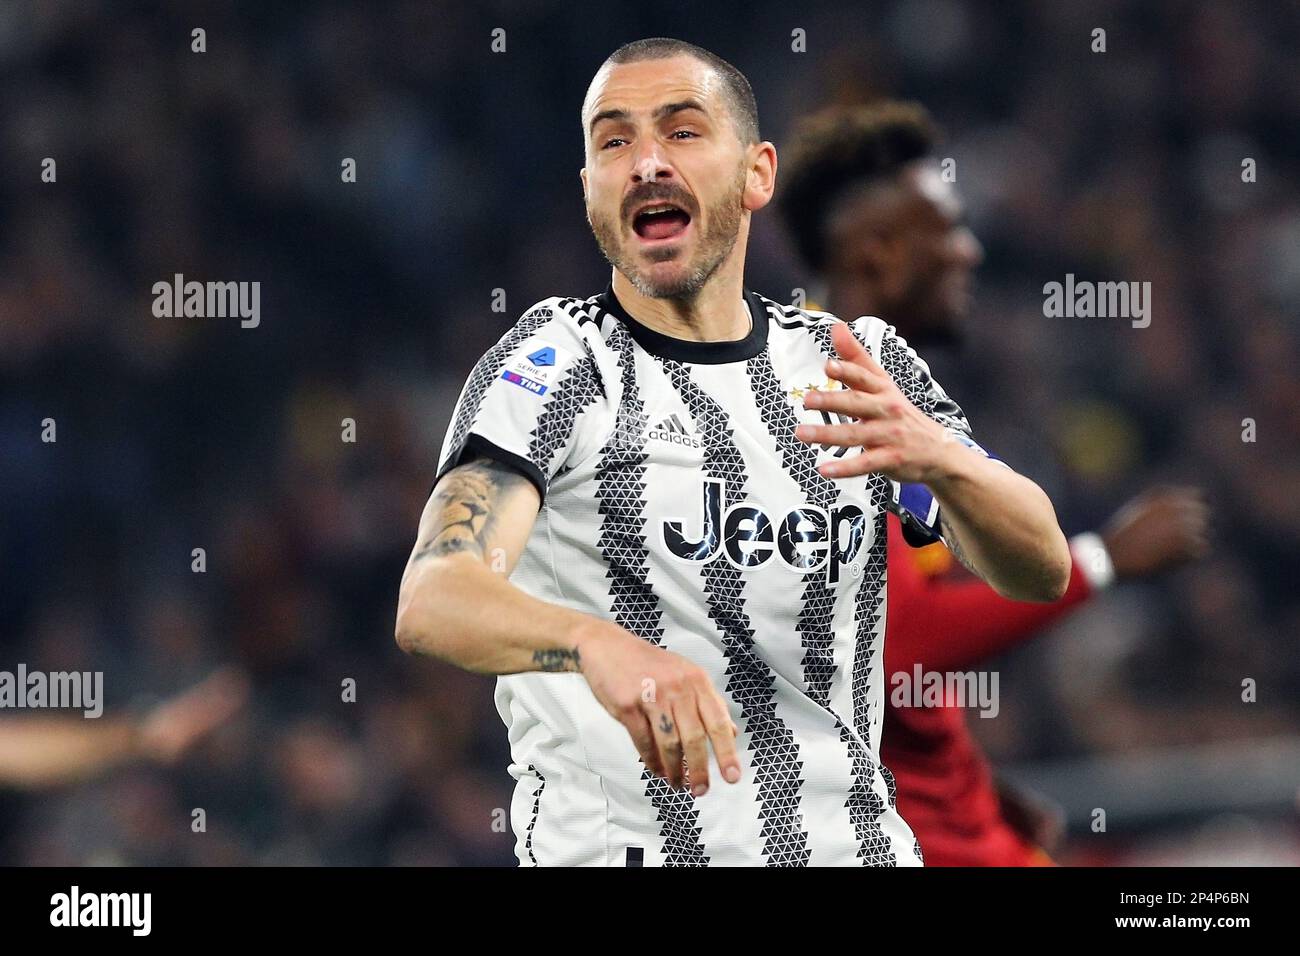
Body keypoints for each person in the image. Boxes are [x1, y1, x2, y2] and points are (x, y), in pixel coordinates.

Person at [395, 39, 1072, 866]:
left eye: (681, 132)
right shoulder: (558, 363)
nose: (645, 162)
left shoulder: (852, 363)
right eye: (613, 142)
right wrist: (595, 642)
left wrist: (942, 460)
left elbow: (1038, 567)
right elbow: (434, 596)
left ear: (757, 174)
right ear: (590, 193)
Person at [776, 101, 1209, 864]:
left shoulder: (874, 386)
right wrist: (1101, 562)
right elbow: (897, 648)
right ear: (877, 251)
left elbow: (872, 655)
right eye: (946, 227)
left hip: (949, 822)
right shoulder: (812, 404)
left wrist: (973, 783)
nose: (969, 252)